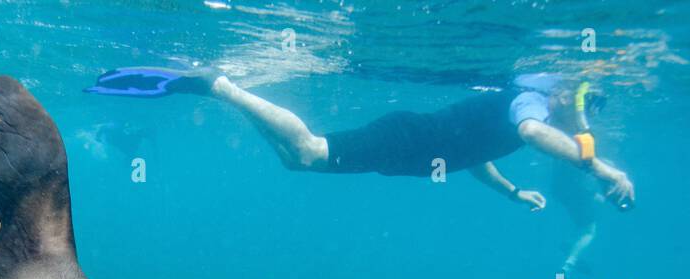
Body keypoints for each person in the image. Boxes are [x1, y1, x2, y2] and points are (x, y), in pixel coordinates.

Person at [87, 68, 635, 222]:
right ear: (571, 90)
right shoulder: (532, 100)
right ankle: (221, 87)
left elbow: (478, 156)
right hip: (409, 139)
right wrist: (601, 169)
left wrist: (512, 193)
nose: (590, 113)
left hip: (415, 150)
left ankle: (226, 93)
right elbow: (532, 133)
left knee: (293, 160)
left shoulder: (532, 105)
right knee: (306, 153)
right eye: (593, 101)